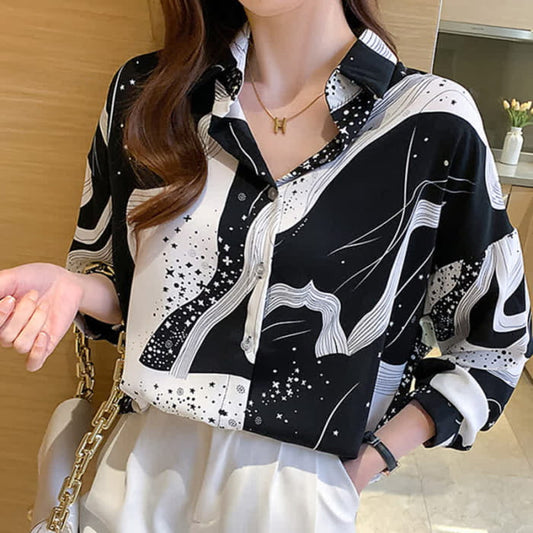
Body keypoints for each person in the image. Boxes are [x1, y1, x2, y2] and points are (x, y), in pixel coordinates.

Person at [2, 0, 533, 532]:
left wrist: (366, 464)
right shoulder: (149, 93)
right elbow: (127, 292)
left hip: (297, 496)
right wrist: (73, 288)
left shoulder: (428, 122)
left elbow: (495, 347)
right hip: (137, 475)